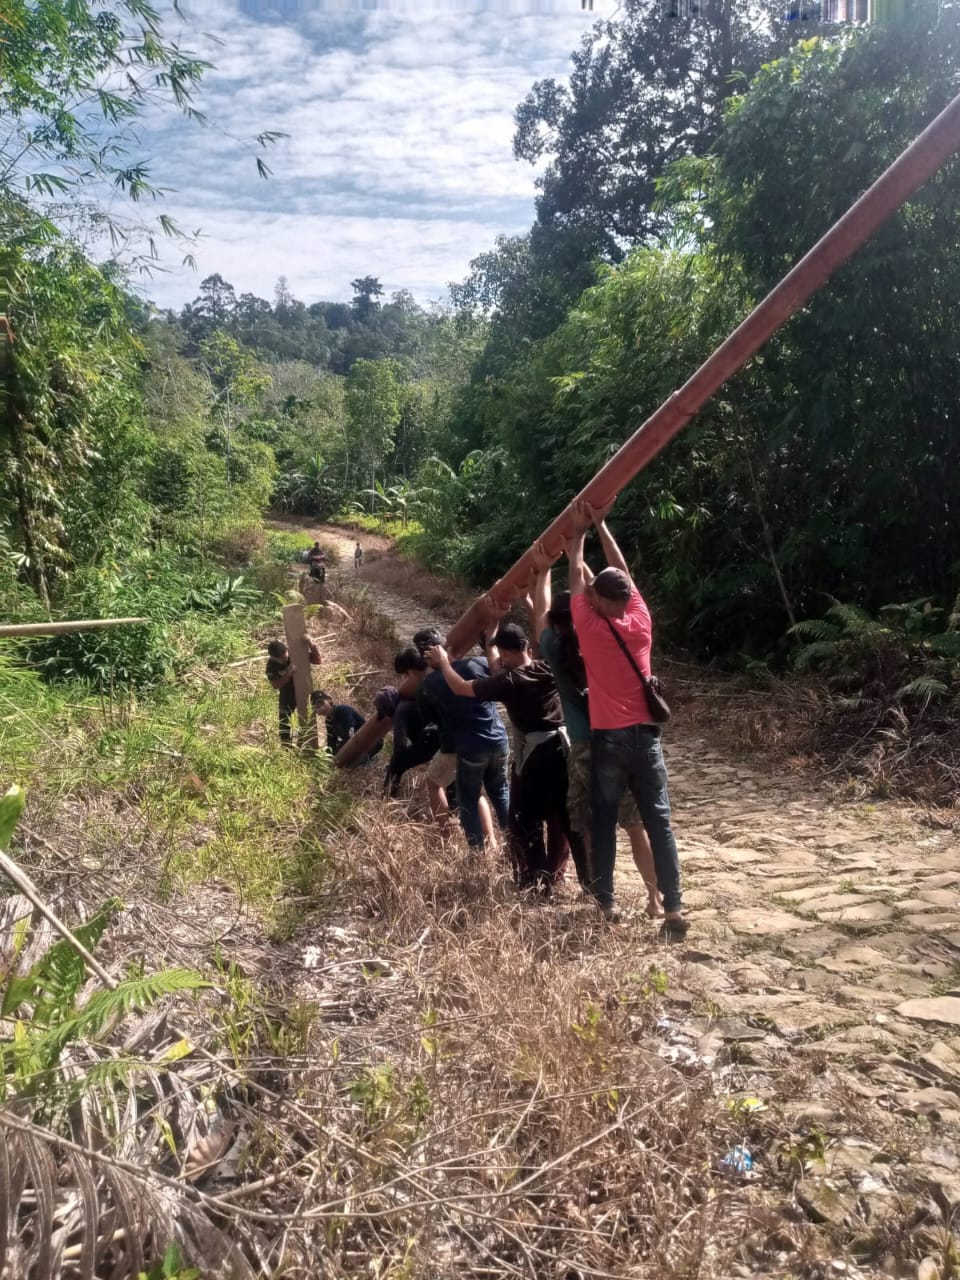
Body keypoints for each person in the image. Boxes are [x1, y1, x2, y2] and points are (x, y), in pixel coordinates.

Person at [568, 503, 687, 936]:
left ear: (599, 599)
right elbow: (621, 571)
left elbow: (577, 574)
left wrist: (577, 537)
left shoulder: (591, 626)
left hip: (609, 742)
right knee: (659, 820)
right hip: (647, 739)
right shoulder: (641, 622)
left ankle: (606, 905)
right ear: (627, 598)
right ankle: (673, 910)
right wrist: (601, 525)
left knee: (603, 820)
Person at [533, 571, 662, 918]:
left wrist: (541, 571)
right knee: (635, 826)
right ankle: (655, 900)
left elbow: (541, 612)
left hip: (585, 750)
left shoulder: (557, 652)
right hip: (622, 739)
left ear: (556, 622)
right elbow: (604, 592)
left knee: (589, 825)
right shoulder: (604, 635)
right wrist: (590, 581)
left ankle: (603, 900)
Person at [428, 622, 586, 895]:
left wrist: (444, 664)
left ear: (511, 652)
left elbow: (462, 687)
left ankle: (534, 881)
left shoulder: (510, 682)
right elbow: (498, 669)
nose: (499, 659)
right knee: (564, 818)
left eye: (502, 653)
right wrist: (491, 635)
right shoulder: (544, 668)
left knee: (523, 820)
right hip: (562, 751)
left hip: (536, 757)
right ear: (526, 645)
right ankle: (580, 881)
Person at [416, 627, 509, 850]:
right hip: (498, 739)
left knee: (465, 795)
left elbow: (432, 721)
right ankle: (514, 844)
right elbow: (498, 670)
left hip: (467, 746)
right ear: (446, 646)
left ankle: (473, 850)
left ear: (423, 657)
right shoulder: (478, 664)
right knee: (501, 793)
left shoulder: (429, 686)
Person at [265, 636, 321, 747]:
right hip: (287, 691)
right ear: (273, 657)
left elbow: (317, 660)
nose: (284, 660)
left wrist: (311, 644)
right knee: (284, 719)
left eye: (285, 657)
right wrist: (288, 674)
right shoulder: (271, 666)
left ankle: (306, 745)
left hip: (304, 688)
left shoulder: (295, 654)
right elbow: (275, 685)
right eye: (280, 659)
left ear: (287, 650)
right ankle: (286, 747)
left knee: (307, 716)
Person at [311, 691, 380, 760]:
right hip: (354, 743)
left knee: (351, 761)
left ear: (329, 700)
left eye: (322, 703)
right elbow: (331, 742)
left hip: (371, 741)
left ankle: (370, 760)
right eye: (317, 707)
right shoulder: (328, 721)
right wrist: (327, 758)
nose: (321, 708)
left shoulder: (343, 710)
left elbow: (350, 733)